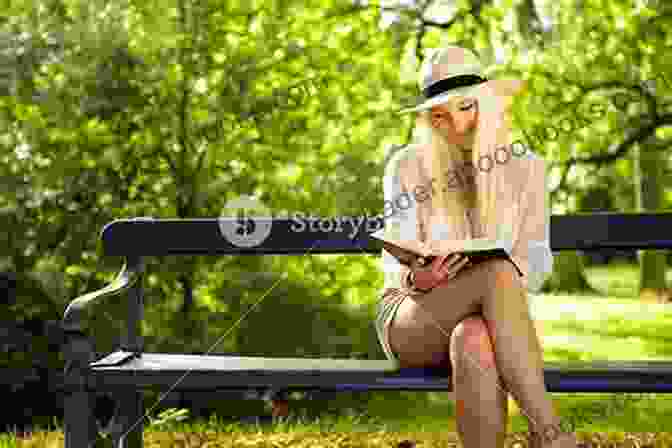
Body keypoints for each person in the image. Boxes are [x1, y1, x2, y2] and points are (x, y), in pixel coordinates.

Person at [374, 46, 577, 448]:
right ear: (428, 121)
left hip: (490, 320)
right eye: (440, 116)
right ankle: (550, 434)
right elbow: (393, 254)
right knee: (496, 273)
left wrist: (491, 288)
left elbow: (536, 261)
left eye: (466, 107)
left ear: (486, 103)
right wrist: (417, 275)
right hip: (413, 313)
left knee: (474, 338)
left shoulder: (526, 167)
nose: (457, 124)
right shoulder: (406, 164)